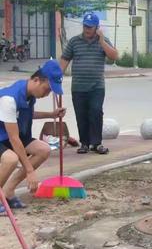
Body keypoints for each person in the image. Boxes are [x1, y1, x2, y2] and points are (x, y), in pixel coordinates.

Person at [0, 60, 65, 213]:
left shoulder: (29, 94)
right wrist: (29, 171)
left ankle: (8, 192)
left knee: (43, 149)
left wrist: (51, 114)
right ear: (37, 80)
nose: (48, 93)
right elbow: (14, 138)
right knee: (10, 159)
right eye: (47, 89)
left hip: (9, 136)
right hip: (6, 136)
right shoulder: (9, 99)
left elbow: (26, 114)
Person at [60, 13, 118, 155]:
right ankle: (84, 143)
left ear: (97, 28)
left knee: (96, 112)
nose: (87, 29)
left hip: (96, 86)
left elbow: (114, 56)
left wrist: (102, 41)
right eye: (85, 26)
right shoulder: (74, 42)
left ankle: (97, 143)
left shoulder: (103, 41)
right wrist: (57, 75)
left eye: (90, 27)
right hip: (78, 86)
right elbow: (64, 59)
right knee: (81, 115)